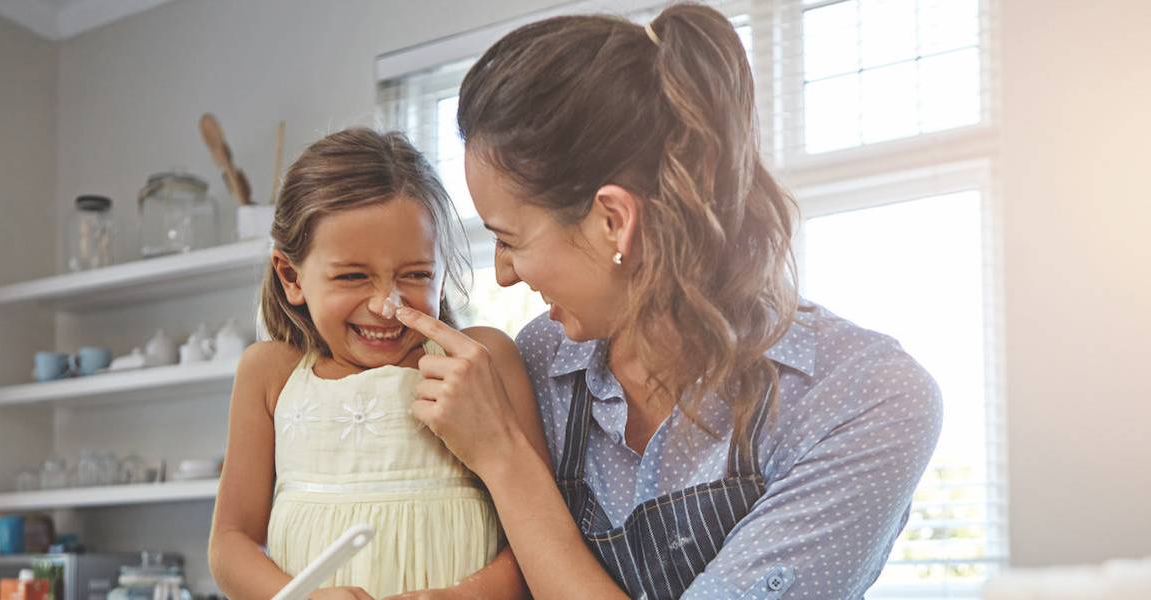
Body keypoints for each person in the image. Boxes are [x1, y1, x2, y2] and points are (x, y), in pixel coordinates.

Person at [394, 4, 944, 598]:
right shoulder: (540, 363)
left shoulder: (864, 397)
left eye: (509, 240)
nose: (502, 275)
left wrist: (504, 455)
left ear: (613, 221)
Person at [207, 128, 545, 600]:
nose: (387, 304)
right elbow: (229, 543)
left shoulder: (479, 361)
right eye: (351, 276)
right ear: (291, 276)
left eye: (416, 274)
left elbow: (539, 535)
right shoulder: (270, 374)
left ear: (442, 270)